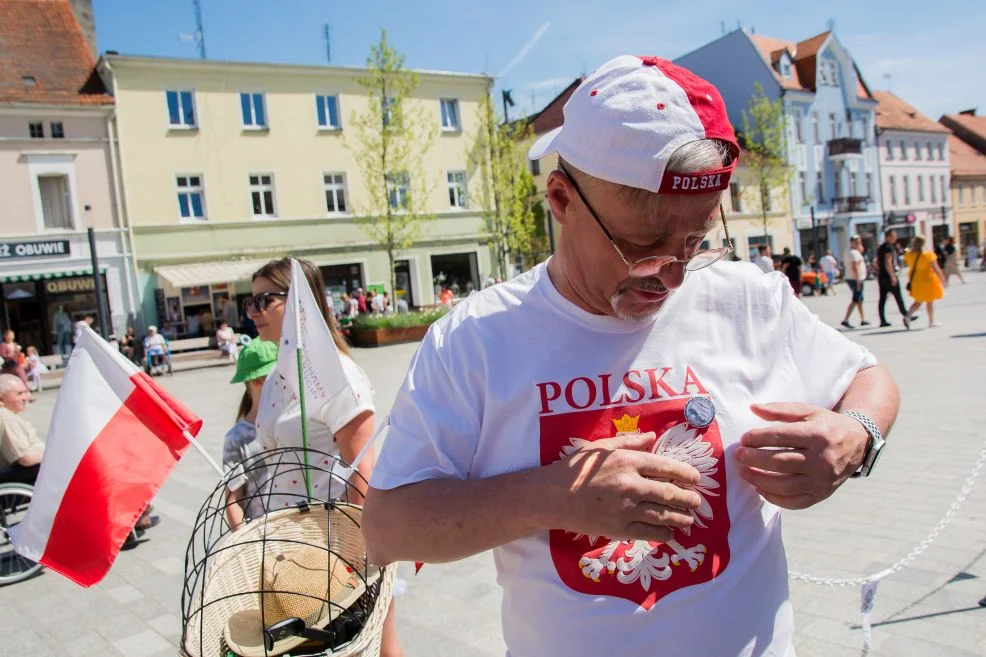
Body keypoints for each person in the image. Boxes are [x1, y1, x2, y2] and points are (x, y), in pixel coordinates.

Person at [361, 55, 898, 657]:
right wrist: (553, 496)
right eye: (642, 247)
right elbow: (385, 528)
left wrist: (856, 438)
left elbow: (868, 377)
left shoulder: (747, 297)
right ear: (561, 199)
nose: (671, 277)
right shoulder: (475, 340)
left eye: (695, 243)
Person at [245, 258, 404, 657]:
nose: (253, 312)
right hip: (286, 546)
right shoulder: (280, 373)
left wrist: (358, 564)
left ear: (299, 302)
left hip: (330, 550)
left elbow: (361, 472)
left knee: (375, 648)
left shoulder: (339, 376)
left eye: (264, 299)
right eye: (248, 302)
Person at [222, 339, 277, 530]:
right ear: (258, 381)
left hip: (300, 530)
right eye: (280, 377)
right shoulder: (237, 438)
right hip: (263, 537)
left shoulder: (290, 424)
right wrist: (244, 541)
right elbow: (233, 498)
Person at [0, 374, 44, 485]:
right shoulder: (5, 418)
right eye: (19, 394)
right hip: (18, 475)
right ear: (1, 398)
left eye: (25, 392)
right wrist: (53, 453)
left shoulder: (8, 415)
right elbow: (25, 459)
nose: (26, 397)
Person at [904, 236, 946, 328]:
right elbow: (936, 268)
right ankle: (931, 321)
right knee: (929, 301)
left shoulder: (909, 255)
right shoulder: (928, 255)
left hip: (915, 280)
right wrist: (943, 279)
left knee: (918, 301)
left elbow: (906, 261)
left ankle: (908, 315)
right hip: (928, 279)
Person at [876, 229, 911, 329]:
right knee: (898, 296)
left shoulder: (882, 247)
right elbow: (888, 262)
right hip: (888, 276)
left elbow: (877, 262)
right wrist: (892, 276)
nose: (895, 237)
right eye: (893, 235)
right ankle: (906, 314)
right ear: (888, 236)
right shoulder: (889, 248)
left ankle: (882, 320)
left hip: (881, 275)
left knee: (882, 299)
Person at [841, 235, 870, 329]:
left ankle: (863, 319)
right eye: (856, 242)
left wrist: (859, 245)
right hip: (855, 279)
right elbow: (855, 268)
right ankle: (845, 320)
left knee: (860, 300)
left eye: (860, 242)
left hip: (855, 278)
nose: (859, 244)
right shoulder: (853, 253)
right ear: (852, 242)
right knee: (855, 299)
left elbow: (861, 250)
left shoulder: (852, 251)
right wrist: (858, 282)